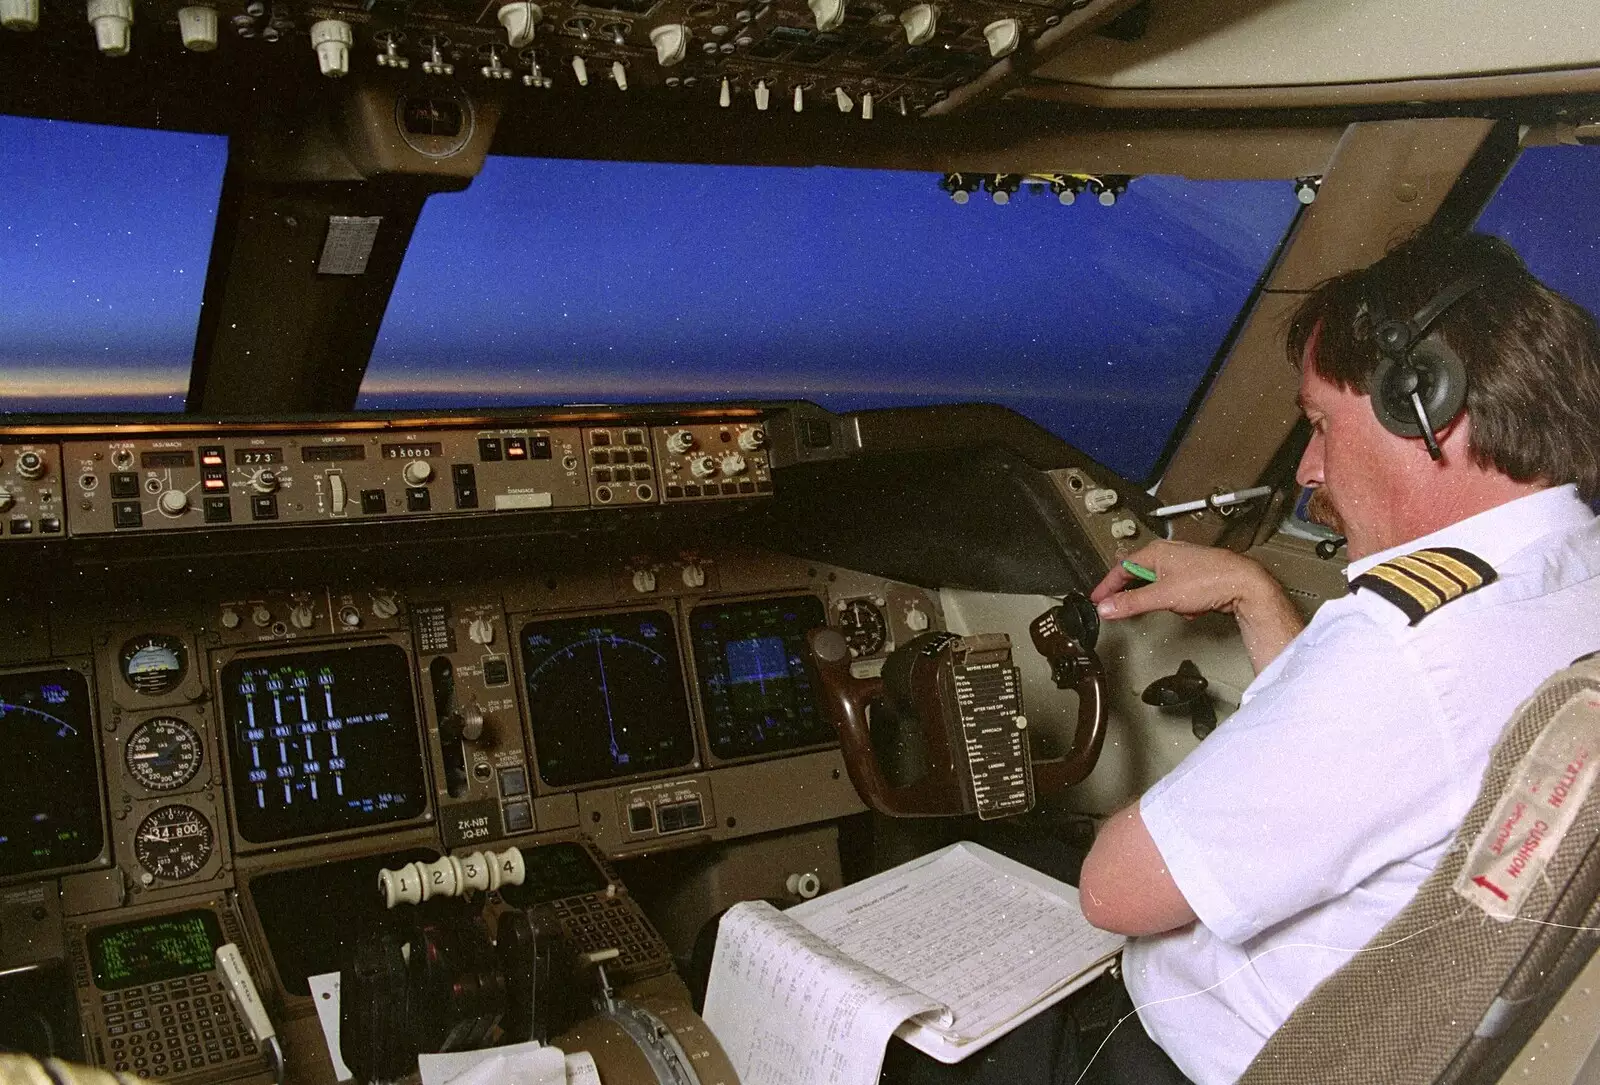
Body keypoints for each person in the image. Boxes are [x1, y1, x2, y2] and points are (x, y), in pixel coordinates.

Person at [1074, 228, 1600, 1084]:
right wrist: (1256, 592)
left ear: (1423, 402)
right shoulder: (1568, 576)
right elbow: (1385, 757)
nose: (1310, 468)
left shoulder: (1407, 645)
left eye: (1319, 422)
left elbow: (1113, 890)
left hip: (1191, 1055)